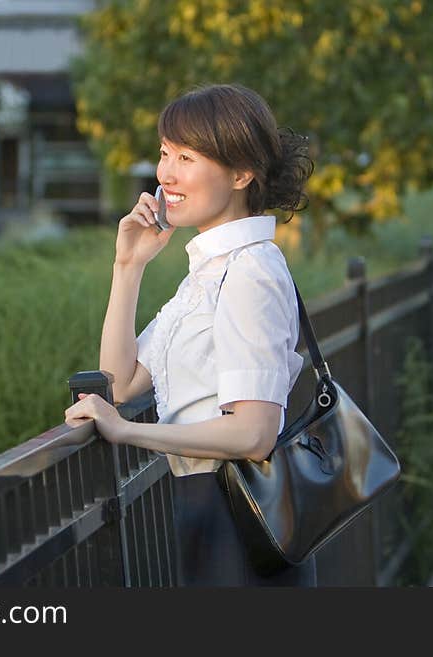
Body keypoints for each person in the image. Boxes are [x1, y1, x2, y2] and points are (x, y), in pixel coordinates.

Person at [64, 83, 315, 586]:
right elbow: (121, 379)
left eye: (188, 156)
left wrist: (128, 430)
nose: (166, 174)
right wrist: (127, 266)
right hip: (209, 508)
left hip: (238, 517)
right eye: (164, 153)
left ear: (242, 174)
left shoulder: (248, 272)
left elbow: (253, 432)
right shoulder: (210, 272)